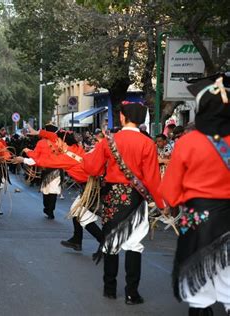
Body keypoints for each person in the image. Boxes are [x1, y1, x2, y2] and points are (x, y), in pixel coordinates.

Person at [160, 75, 230, 316]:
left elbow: (169, 190)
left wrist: (177, 203)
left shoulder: (188, 142)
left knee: (199, 294)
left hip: (198, 221)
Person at [83, 101, 164, 305]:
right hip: (136, 199)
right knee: (134, 245)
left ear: (122, 117)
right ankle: (131, 294)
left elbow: (92, 168)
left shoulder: (109, 141)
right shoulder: (148, 144)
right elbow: (153, 179)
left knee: (111, 244)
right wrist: (162, 204)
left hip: (112, 197)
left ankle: (109, 289)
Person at [25, 123, 61, 220]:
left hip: (45, 170)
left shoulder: (41, 143)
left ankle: (47, 208)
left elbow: (35, 156)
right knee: (53, 191)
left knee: (46, 190)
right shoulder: (59, 142)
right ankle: (51, 210)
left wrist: (27, 151)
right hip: (56, 170)